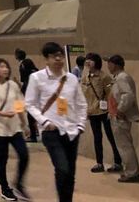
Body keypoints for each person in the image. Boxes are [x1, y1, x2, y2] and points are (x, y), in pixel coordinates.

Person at [25, 42, 87, 202]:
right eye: (54, 56)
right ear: (46, 59)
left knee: (70, 173)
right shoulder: (36, 78)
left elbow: (81, 103)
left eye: (60, 55)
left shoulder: (71, 78)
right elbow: (29, 104)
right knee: (62, 168)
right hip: (51, 131)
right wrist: (44, 121)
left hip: (72, 131)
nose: (59, 59)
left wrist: (81, 124)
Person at [0, 58, 31, 201]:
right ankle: (5, 188)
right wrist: (2, 113)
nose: (5, 69)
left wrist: (24, 124)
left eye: (6, 66)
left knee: (24, 155)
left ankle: (19, 184)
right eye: (2, 67)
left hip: (15, 128)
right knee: (2, 159)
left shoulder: (13, 85)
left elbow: (19, 105)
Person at [81, 53, 122, 173]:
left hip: (104, 111)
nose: (88, 62)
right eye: (87, 60)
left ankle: (117, 162)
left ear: (96, 62)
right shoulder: (85, 77)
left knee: (111, 136)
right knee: (97, 138)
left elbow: (111, 94)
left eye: (91, 60)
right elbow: (85, 95)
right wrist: (86, 110)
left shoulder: (104, 77)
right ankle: (99, 163)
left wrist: (111, 110)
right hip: (92, 112)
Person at [106, 54, 139, 183]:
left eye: (109, 63)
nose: (107, 66)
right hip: (117, 116)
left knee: (124, 146)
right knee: (124, 145)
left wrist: (120, 110)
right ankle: (131, 171)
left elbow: (128, 96)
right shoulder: (118, 78)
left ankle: (132, 173)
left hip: (120, 117)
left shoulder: (122, 77)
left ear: (115, 65)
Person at [15, 49, 39, 142]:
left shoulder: (22, 65)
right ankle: (34, 132)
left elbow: (23, 81)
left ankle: (32, 135)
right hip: (35, 90)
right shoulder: (30, 63)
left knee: (29, 114)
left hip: (29, 91)